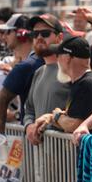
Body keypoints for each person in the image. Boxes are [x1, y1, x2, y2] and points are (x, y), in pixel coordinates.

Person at [34, 36, 92, 135]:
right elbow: (72, 123)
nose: (57, 59)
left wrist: (57, 116)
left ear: (67, 58)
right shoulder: (82, 82)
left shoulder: (87, 84)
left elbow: (76, 125)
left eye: (58, 55)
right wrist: (51, 118)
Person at [23, 13, 70, 145]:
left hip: (67, 156)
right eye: (35, 34)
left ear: (60, 37)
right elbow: (29, 110)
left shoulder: (71, 72)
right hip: (42, 158)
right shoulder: (38, 72)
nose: (39, 38)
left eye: (45, 33)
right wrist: (29, 126)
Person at [0, 14, 44, 134]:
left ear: (22, 34)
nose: (4, 36)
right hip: (31, 133)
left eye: (8, 32)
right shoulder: (19, 65)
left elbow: (2, 100)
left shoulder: (32, 63)